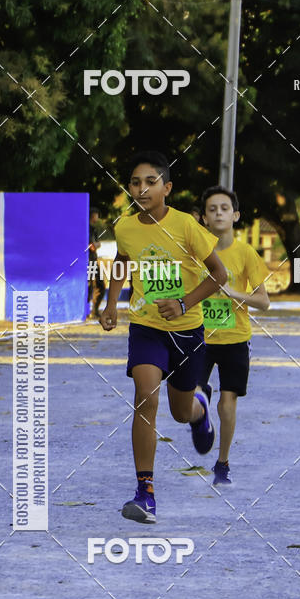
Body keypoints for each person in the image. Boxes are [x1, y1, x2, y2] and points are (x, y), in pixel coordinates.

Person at [99, 151, 227, 523]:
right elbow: (123, 260)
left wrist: (185, 303)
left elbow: (219, 275)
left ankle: (199, 411)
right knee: (145, 397)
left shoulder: (187, 226)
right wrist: (111, 304)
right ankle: (145, 493)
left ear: (167, 188)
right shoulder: (125, 226)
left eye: (150, 182)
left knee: (179, 410)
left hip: (187, 332)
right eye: (135, 182)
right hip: (146, 327)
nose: (142, 188)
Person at [199, 185, 270, 486]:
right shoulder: (194, 252)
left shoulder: (246, 253)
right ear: (203, 218)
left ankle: (222, 463)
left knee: (227, 404)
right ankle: (202, 419)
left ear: (236, 215)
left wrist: (233, 293)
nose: (218, 213)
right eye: (212, 209)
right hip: (199, 338)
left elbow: (264, 302)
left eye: (224, 208)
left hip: (235, 339)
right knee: (192, 395)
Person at [87, 206, 105, 317]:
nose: (97, 218)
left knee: (100, 285)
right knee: (91, 285)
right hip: (89, 262)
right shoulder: (86, 229)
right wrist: (95, 245)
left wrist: (95, 245)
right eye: (96, 215)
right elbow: (92, 246)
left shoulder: (93, 229)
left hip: (93, 260)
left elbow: (97, 244)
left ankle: (94, 309)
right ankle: (90, 310)